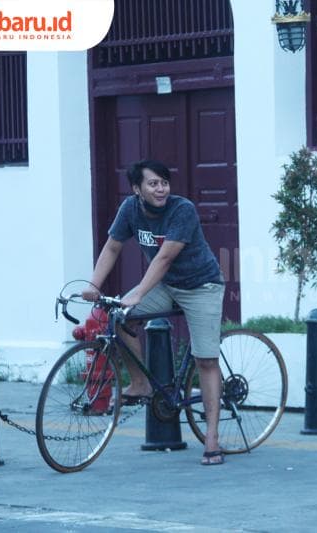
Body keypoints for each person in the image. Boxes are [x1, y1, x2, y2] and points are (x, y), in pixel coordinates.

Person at [83, 159, 226, 466]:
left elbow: (163, 258)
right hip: (168, 285)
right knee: (118, 317)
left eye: (164, 183)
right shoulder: (129, 209)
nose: (161, 189)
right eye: (153, 184)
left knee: (206, 359)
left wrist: (137, 292)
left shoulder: (182, 209)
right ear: (137, 189)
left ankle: (212, 436)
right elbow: (112, 247)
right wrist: (94, 284)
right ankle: (141, 383)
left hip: (202, 285)